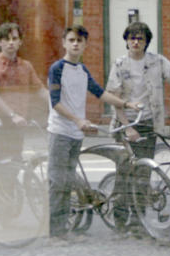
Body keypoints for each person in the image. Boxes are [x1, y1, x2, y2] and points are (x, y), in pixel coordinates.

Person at [106, 21, 170, 237]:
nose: (136, 42)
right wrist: (126, 127)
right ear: (126, 40)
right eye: (132, 38)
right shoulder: (119, 65)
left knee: (144, 173)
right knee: (125, 172)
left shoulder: (157, 61)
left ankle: (138, 222)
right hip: (124, 123)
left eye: (140, 38)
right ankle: (119, 220)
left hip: (146, 124)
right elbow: (113, 98)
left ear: (146, 42)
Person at [47, 25, 141, 241]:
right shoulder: (57, 68)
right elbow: (55, 103)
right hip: (60, 132)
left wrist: (127, 103)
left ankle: (65, 230)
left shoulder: (82, 70)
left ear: (85, 45)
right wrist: (78, 120)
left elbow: (101, 93)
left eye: (80, 41)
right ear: (64, 42)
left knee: (68, 181)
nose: (75, 44)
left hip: (76, 134)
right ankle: (56, 234)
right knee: (58, 182)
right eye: (71, 40)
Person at [0, 22, 49, 163]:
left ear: (20, 42)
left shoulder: (26, 66)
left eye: (14, 38)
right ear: (0, 42)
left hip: (18, 124)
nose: (11, 43)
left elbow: (40, 91)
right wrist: (12, 115)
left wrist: (57, 106)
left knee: (15, 165)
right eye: (6, 39)